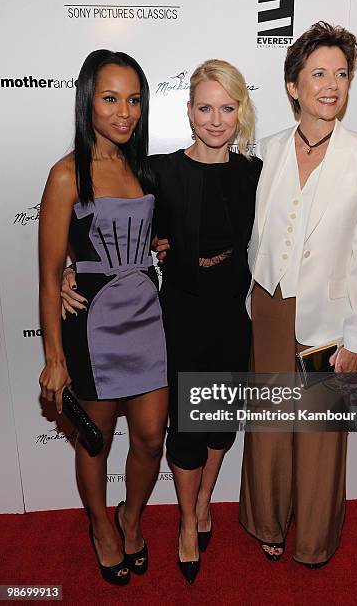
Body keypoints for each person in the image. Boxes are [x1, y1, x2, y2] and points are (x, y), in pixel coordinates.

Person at [62, 59, 262, 583]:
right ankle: (185, 524)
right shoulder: (157, 170)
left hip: (231, 315)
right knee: (181, 427)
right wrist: (69, 270)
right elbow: (104, 223)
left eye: (227, 107)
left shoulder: (256, 172)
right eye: (204, 107)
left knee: (220, 423)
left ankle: (200, 506)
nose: (216, 119)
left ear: (241, 112)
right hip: (173, 316)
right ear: (189, 112)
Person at [239, 22, 357, 567]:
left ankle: (314, 540)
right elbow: (249, 229)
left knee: (321, 433)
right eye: (318, 73)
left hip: (331, 314)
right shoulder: (268, 149)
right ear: (292, 85)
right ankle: (267, 521)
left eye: (341, 74)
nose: (331, 85)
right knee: (270, 425)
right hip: (269, 307)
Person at [38, 50, 168, 586]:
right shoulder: (66, 175)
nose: (124, 112)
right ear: (87, 100)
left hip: (147, 317)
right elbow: (49, 275)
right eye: (110, 98)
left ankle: (131, 517)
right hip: (93, 327)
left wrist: (158, 244)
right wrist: (54, 358)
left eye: (133, 100)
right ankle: (101, 527)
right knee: (96, 438)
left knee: (150, 438)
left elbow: (149, 235)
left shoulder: (144, 167)